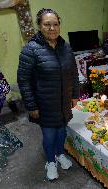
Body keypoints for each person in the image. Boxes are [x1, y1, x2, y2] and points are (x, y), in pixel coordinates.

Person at [17, 8, 79, 180]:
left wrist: (75, 95)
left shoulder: (66, 47)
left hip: (64, 101)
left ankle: (60, 155)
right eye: (47, 24)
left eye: (55, 24)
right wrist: (31, 105)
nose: (52, 28)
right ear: (39, 25)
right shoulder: (30, 50)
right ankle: (50, 162)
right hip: (44, 104)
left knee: (62, 132)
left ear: (59, 26)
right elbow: (24, 80)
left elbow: (74, 74)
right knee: (50, 135)